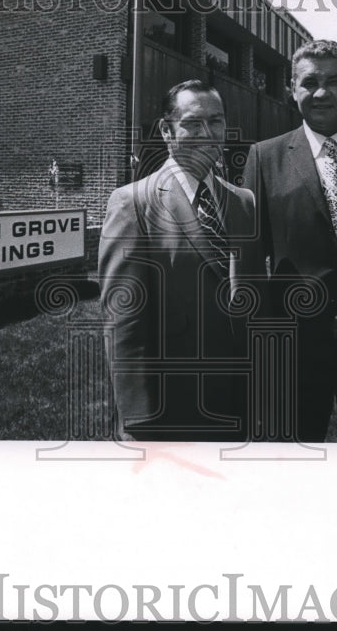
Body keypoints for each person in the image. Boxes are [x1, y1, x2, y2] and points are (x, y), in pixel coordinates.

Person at [241, 39, 337, 442]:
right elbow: (249, 262)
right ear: (292, 89)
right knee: (293, 461)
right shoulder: (263, 157)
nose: (321, 93)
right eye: (309, 82)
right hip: (294, 348)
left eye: (333, 81)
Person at [98, 79, 255, 441]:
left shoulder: (242, 201)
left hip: (235, 401)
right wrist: (139, 418)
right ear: (167, 131)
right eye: (193, 123)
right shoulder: (132, 202)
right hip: (169, 408)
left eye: (216, 122)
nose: (208, 133)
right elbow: (123, 319)